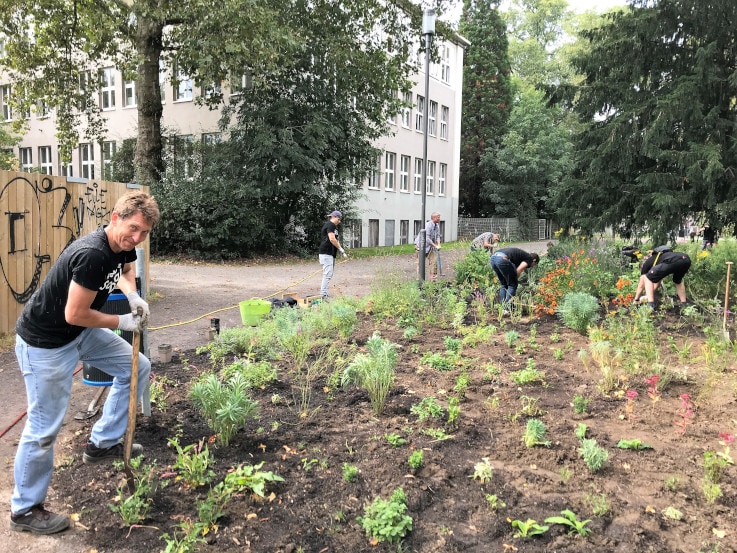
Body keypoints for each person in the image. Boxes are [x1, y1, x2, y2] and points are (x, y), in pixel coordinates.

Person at [10, 191, 159, 535]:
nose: (136, 238)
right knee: (44, 428)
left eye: (144, 233)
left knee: (137, 366)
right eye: (133, 228)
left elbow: (123, 270)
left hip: (77, 333)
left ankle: (102, 444)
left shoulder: (122, 246)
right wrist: (122, 321)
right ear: (115, 217)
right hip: (45, 343)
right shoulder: (92, 253)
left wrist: (132, 295)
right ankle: (24, 509)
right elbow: (75, 312)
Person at [319, 210, 348, 300]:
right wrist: (340, 249)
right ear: (334, 217)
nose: (339, 221)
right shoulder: (330, 225)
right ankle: (323, 295)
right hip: (326, 252)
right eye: (338, 219)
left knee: (329, 274)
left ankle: (324, 294)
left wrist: (341, 250)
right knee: (328, 274)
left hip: (330, 253)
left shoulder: (333, 227)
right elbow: (332, 239)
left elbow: (336, 239)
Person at [415, 212, 442, 280]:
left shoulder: (437, 225)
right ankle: (419, 279)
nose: (439, 218)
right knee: (420, 263)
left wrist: (438, 244)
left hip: (430, 247)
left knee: (434, 262)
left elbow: (438, 236)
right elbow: (427, 238)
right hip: (421, 246)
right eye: (438, 217)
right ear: (433, 218)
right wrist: (435, 245)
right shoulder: (428, 225)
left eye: (439, 217)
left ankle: (433, 279)